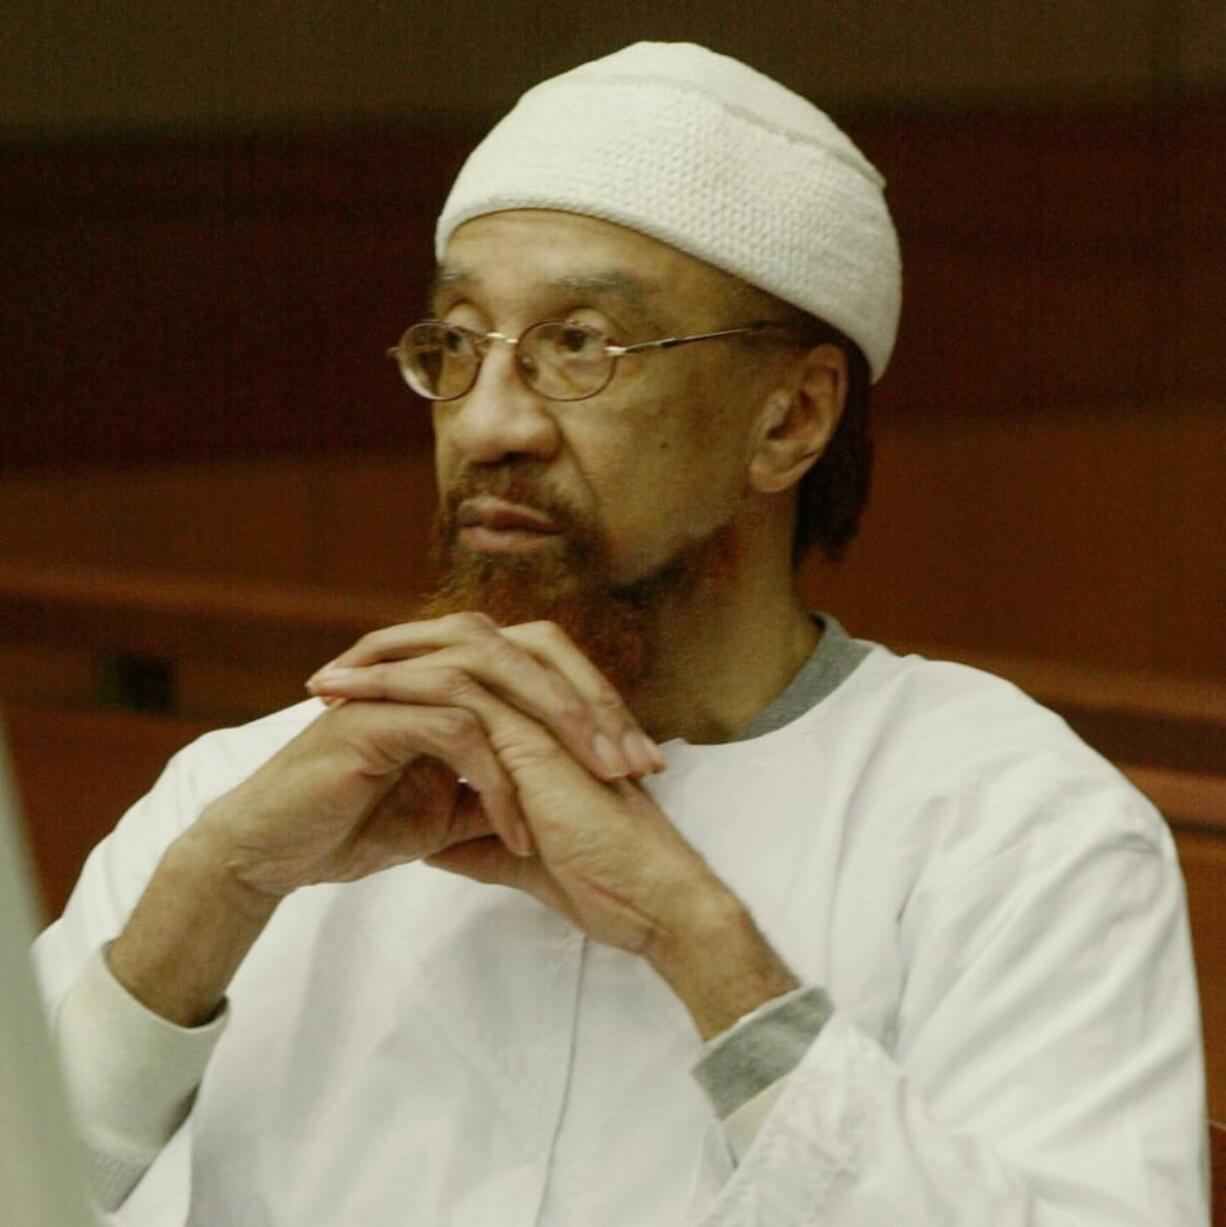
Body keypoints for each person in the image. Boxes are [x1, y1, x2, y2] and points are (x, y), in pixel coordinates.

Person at [34, 41, 1207, 1227]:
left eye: (581, 345)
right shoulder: (241, 799)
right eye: (456, 342)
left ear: (789, 420)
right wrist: (208, 900)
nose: (489, 422)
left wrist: (698, 944)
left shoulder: (1011, 825)